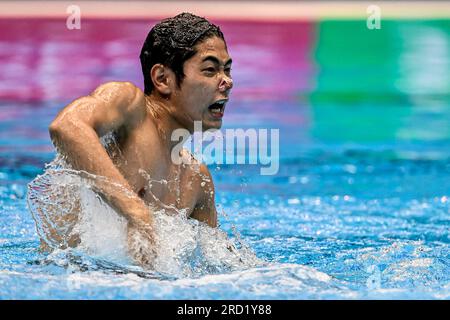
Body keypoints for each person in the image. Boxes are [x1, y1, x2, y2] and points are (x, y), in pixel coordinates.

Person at [47, 12, 233, 267]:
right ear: (163, 79)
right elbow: (66, 126)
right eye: (210, 70)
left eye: (227, 69)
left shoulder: (196, 181)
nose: (227, 81)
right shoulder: (130, 107)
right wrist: (136, 212)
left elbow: (221, 267)